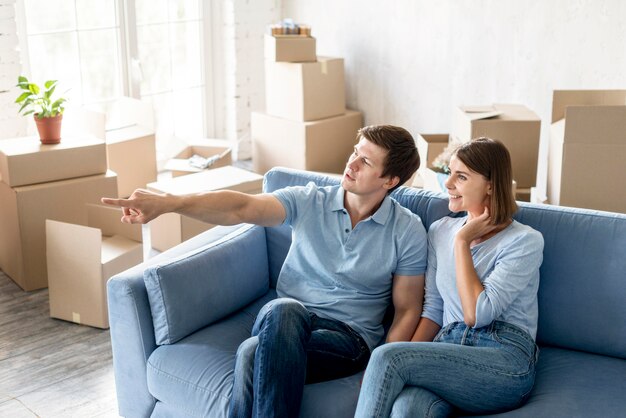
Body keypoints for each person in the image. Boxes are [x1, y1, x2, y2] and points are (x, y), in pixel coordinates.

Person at [101, 125, 428, 418]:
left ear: (390, 180)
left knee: (251, 352)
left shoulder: (406, 230)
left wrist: (378, 368)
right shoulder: (310, 200)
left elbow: (407, 309)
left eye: (366, 161)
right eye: (355, 152)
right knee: (283, 310)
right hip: (283, 321)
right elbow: (241, 207)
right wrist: (169, 203)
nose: (351, 164)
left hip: (347, 338)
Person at [354, 137, 544, 418]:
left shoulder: (524, 241)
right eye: (450, 173)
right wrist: (382, 373)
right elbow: (434, 309)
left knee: (386, 355)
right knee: (407, 408)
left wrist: (462, 242)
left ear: (491, 184)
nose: (448, 184)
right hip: (447, 351)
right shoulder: (439, 231)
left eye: (462, 177)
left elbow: (478, 314)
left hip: (505, 360)